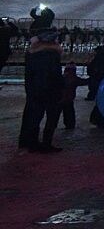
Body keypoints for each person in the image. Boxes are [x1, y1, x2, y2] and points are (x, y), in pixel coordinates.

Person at [18, 14, 63, 153]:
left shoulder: (32, 53)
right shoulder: (51, 54)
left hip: (33, 90)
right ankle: (46, 144)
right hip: (48, 91)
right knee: (51, 119)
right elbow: (53, 75)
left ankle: (29, 142)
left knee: (32, 117)